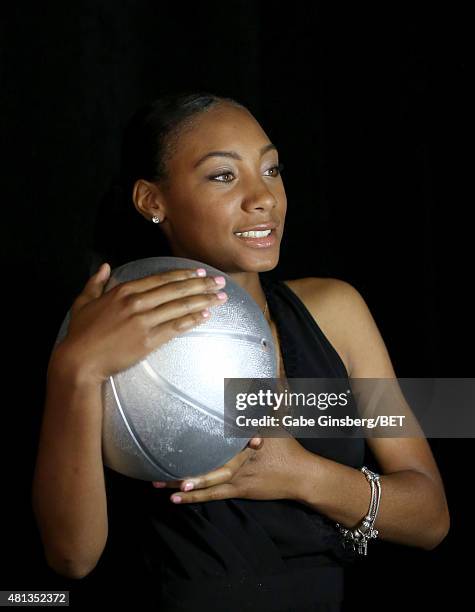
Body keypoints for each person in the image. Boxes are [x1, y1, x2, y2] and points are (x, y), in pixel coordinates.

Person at [32, 92, 450, 611]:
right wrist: (74, 369)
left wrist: (301, 474)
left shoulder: (335, 311)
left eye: (271, 169)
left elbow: (431, 518)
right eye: (223, 176)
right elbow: (72, 558)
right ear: (152, 201)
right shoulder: (110, 333)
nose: (264, 198)